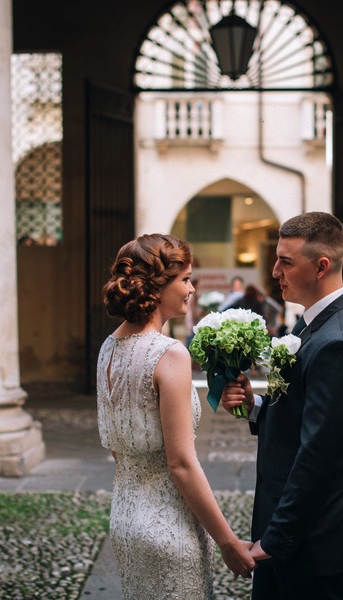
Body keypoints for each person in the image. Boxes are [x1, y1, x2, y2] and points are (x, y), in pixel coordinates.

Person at [222, 212, 343, 600]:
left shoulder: (339, 343)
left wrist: (275, 539)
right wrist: (255, 405)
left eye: (286, 262)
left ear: (321, 266)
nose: (274, 270)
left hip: (311, 544)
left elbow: (320, 457)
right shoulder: (310, 324)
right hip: (292, 536)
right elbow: (301, 416)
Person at [97, 233, 255, 599]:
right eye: (184, 279)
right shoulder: (169, 353)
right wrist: (228, 543)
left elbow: (121, 449)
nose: (191, 288)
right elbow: (181, 463)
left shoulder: (108, 348)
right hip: (170, 527)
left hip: (125, 519)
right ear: (156, 287)